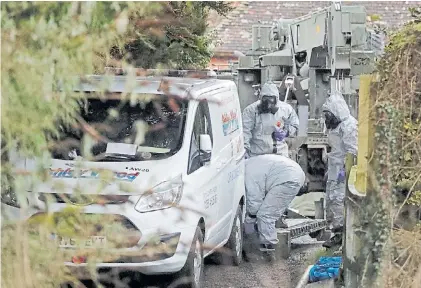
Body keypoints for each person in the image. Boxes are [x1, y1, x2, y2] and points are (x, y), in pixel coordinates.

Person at [243, 154, 306, 261]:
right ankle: (268, 246)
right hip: (290, 174)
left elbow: (254, 202)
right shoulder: (249, 165)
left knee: (265, 215)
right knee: (267, 211)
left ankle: (269, 250)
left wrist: (248, 225)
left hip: (287, 179)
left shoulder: (246, 175)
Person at [321, 91, 358, 248]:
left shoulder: (349, 126)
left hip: (343, 169)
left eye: (328, 115)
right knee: (331, 199)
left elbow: (353, 151)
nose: (326, 118)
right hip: (334, 167)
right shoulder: (334, 126)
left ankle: (341, 235)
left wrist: (345, 170)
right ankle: (336, 232)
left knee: (338, 200)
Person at [242, 82, 299, 158]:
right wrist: (244, 150)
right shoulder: (251, 111)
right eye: (266, 100)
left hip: (280, 153)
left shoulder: (286, 109)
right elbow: (245, 132)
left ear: (277, 99)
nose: (268, 104)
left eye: (271, 100)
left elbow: (296, 126)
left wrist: (286, 132)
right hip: (257, 154)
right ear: (261, 98)